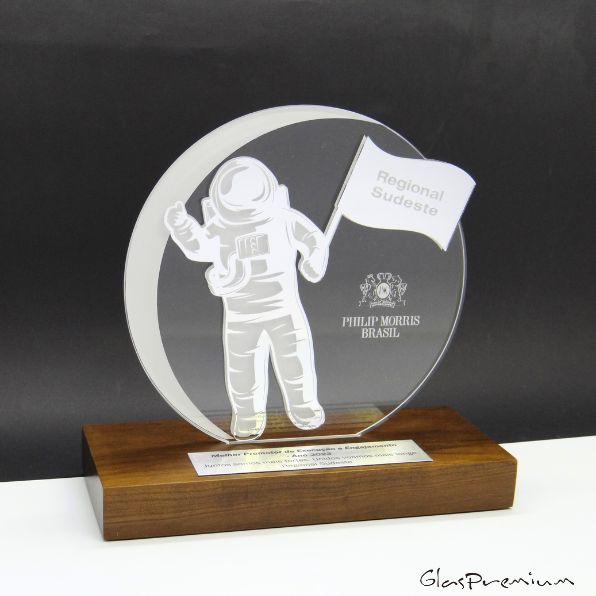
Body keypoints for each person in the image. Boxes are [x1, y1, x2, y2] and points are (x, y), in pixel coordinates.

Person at [164, 157, 328, 439]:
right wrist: (182, 226)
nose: (246, 207)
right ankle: (248, 416)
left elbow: (314, 238)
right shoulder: (220, 228)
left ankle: (303, 406)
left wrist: (315, 258)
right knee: (243, 372)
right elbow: (198, 246)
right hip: (242, 317)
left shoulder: (283, 220)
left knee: (296, 364)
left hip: (284, 312)